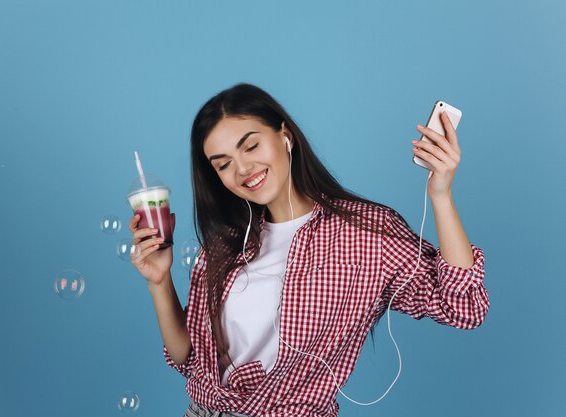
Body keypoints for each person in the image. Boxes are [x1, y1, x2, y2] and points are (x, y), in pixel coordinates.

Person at [128, 83, 490, 417]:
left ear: (285, 136)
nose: (242, 169)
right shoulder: (225, 243)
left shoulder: (365, 232)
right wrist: (159, 281)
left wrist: (440, 194)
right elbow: (189, 359)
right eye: (223, 164)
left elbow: (464, 306)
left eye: (251, 146)